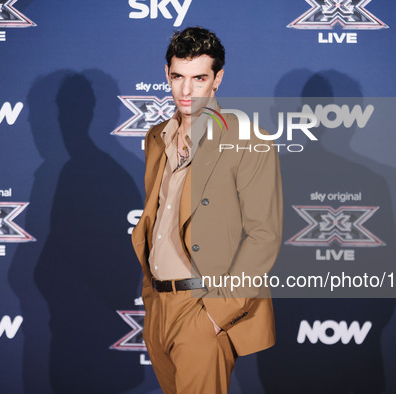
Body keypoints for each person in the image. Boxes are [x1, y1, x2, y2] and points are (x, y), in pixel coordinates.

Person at [131, 26, 282, 394]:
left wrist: (216, 314)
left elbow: (264, 234)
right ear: (166, 74)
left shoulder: (247, 137)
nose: (186, 91)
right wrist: (152, 298)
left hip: (204, 304)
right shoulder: (156, 137)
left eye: (199, 78)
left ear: (217, 80)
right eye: (178, 77)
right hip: (158, 306)